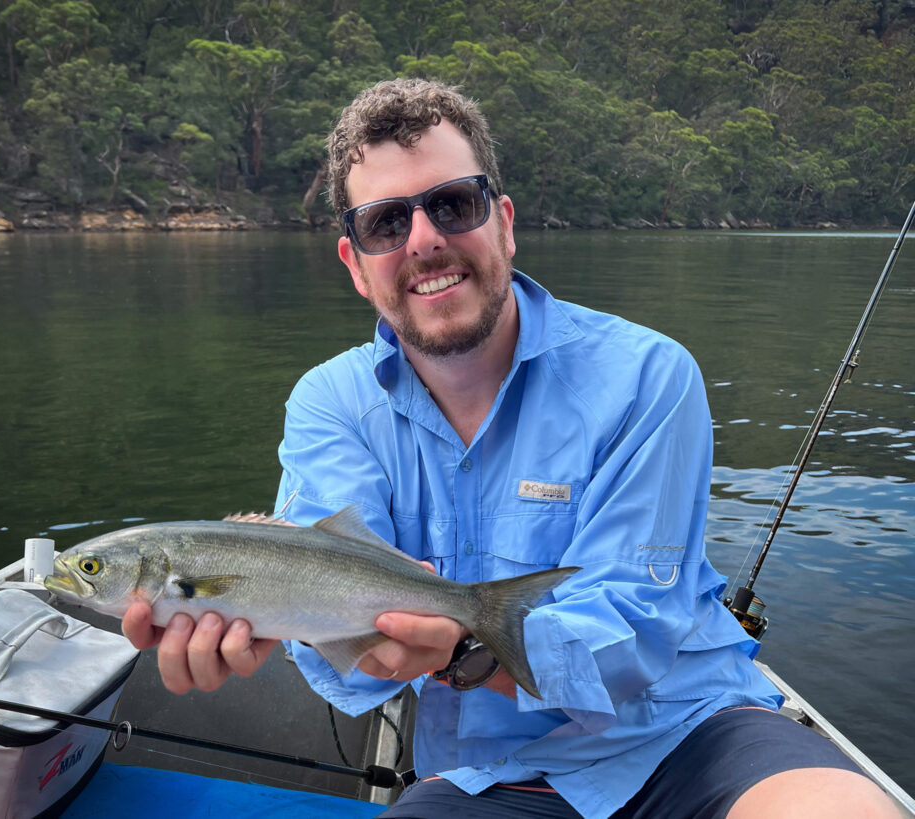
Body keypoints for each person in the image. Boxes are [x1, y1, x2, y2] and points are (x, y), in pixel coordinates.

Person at [123, 78, 900, 818]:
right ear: (355, 263)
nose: (424, 240)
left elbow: (632, 635)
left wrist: (466, 648)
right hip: (493, 771)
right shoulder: (331, 403)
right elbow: (344, 616)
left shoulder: (648, 375)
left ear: (503, 221)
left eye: (452, 204)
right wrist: (271, 622)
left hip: (691, 733)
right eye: (386, 223)